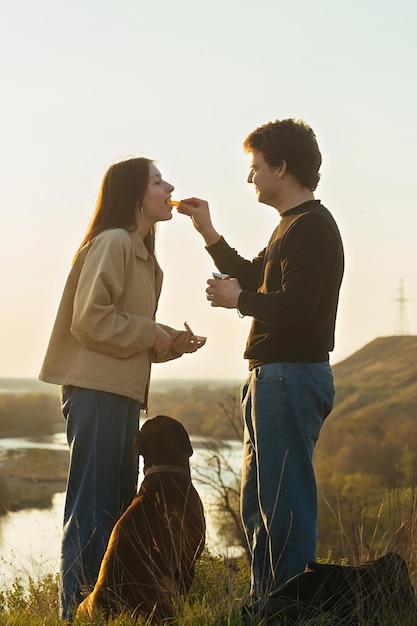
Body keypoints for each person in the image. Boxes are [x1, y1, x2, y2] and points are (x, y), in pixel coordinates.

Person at [177, 119, 344, 599]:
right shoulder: (290, 226)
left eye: (255, 168)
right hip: (272, 379)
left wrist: (238, 301)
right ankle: (268, 606)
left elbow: (297, 306)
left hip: (290, 377)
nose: (250, 178)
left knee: (285, 507)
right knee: (260, 508)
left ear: (282, 167)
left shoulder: (313, 227)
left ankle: (289, 610)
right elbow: (255, 275)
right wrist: (207, 231)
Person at [39, 157, 206, 621]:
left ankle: (107, 614)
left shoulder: (143, 256)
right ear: (135, 196)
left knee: (112, 513)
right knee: (94, 513)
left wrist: (167, 341)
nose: (169, 186)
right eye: (158, 181)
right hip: (96, 392)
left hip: (118, 393)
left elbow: (122, 329)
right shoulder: (112, 243)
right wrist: (150, 333)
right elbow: (90, 320)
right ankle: (77, 614)